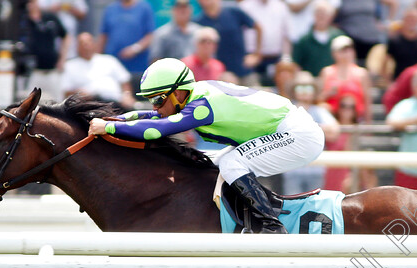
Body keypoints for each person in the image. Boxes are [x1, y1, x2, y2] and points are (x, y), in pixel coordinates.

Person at [87, 58, 326, 234]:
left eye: (158, 99)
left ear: (178, 93)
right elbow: (152, 116)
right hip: (287, 130)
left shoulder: (202, 106)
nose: (156, 106)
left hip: (298, 134)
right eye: (152, 100)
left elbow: (154, 130)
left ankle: (270, 227)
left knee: (233, 162)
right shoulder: (193, 97)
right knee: (211, 161)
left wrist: (108, 129)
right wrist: (116, 119)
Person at [282, 71, 340, 193]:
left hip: (315, 169)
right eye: (300, 88)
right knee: (293, 207)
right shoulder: (286, 111)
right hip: (292, 169)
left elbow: (334, 132)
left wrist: (304, 129)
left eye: (308, 88)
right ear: (294, 91)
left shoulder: (320, 111)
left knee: (314, 207)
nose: (304, 91)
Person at [62, 32, 135, 108]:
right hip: (89, 104)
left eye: (88, 43)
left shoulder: (109, 60)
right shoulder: (70, 65)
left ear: (94, 44)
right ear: (77, 47)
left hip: (116, 102)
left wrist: (127, 96)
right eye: (82, 43)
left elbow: (124, 81)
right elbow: (66, 92)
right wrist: (79, 93)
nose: (86, 46)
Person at [195, 0, 261, 83]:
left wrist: (257, 55)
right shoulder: (199, 21)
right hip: (220, 75)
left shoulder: (233, 11)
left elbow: (258, 27)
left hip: (243, 69)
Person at [23, 0, 71, 102]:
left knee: (57, 102)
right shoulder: (24, 21)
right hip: (33, 71)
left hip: (52, 69)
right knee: (29, 102)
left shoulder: (50, 17)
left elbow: (65, 36)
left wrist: (62, 59)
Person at [318, 35, 373, 123]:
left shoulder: (361, 73)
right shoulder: (327, 72)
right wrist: (328, 93)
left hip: (356, 120)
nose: (346, 53)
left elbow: (367, 101)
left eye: (349, 49)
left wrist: (368, 123)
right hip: (331, 121)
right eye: (342, 50)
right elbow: (318, 99)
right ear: (334, 53)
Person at [99, 0, 156, 78]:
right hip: (114, 63)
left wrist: (135, 49)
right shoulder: (110, 9)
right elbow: (104, 35)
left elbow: (150, 35)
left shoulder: (144, 8)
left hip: (137, 66)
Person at [240, 0, 291, 85]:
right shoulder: (244, 6)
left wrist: (286, 58)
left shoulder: (281, 7)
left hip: (275, 58)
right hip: (251, 58)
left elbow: (286, 35)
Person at [291, 0, 344, 76]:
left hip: (334, 81)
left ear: (330, 16)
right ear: (314, 15)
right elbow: (296, 64)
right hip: (311, 83)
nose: (321, 17)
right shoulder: (304, 40)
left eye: (324, 14)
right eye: (318, 13)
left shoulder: (339, 37)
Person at [385, 5, 417, 80]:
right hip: (400, 81)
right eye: (409, 18)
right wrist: (389, 83)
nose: (411, 21)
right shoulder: (395, 40)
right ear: (403, 19)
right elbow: (385, 63)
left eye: (414, 19)